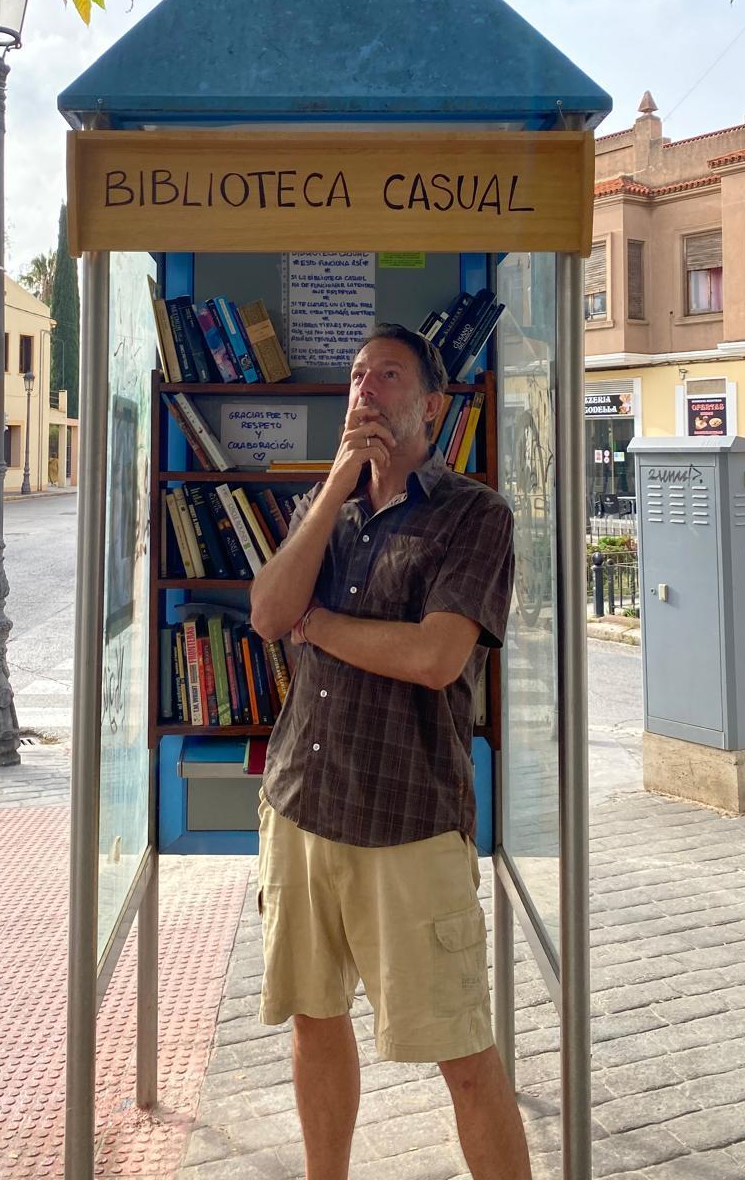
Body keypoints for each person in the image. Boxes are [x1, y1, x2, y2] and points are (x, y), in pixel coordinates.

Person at [250, 324, 529, 1180]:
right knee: (312, 1020)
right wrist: (335, 485)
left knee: (466, 1057)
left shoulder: (473, 515)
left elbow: (434, 656)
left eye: (390, 377)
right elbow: (267, 611)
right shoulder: (322, 509)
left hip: (408, 823)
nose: (366, 390)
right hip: (303, 807)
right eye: (358, 377)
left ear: (434, 405)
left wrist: (322, 625)